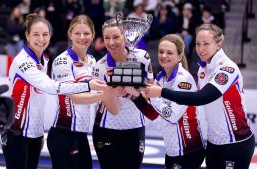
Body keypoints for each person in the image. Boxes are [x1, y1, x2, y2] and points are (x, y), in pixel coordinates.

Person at [2, 13, 108, 169]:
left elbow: (37, 100)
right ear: (27, 35)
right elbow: (53, 87)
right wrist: (88, 85)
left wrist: (38, 134)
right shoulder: (23, 62)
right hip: (16, 132)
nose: (41, 39)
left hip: (35, 134)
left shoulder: (43, 60)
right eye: (36, 35)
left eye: (45, 34)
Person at [142, 23, 255, 169]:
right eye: (198, 43)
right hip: (214, 143)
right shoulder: (203, 70)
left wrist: (161, 92)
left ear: (219, 45)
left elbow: (202, 98)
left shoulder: (228, 69)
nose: (201, 49)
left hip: (236, 142)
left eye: (206, 44)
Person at [46, 14, 122, 169]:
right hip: (63, 133)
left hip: (81, 134)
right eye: (77, 33)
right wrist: (107, 93)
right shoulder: (62, 61)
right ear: (70, 35)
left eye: (86, 33)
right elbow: (75, 98)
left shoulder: (92, 61)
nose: (82, 37)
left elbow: (100, 96)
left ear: (93, 35)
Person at [128, 34, 206, 168]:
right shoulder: (161, 77)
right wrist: (133, 96)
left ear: (180, 56)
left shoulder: (183, 80)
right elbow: (153, 114)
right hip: (172, 150)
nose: (163, 56)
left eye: (169, 52)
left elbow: (172, 116)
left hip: (188, 150)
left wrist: (153, 95)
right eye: (161, 51)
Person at [91, 18, 154, 169]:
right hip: (107, 128)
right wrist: (114, 90)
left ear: (125, 37)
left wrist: (134, 91)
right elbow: (113, 110)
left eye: (116, 37)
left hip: (135, 127)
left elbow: (150, 94)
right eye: (107, 38)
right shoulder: (99, 68)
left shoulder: (142, 58)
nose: (111, 42)